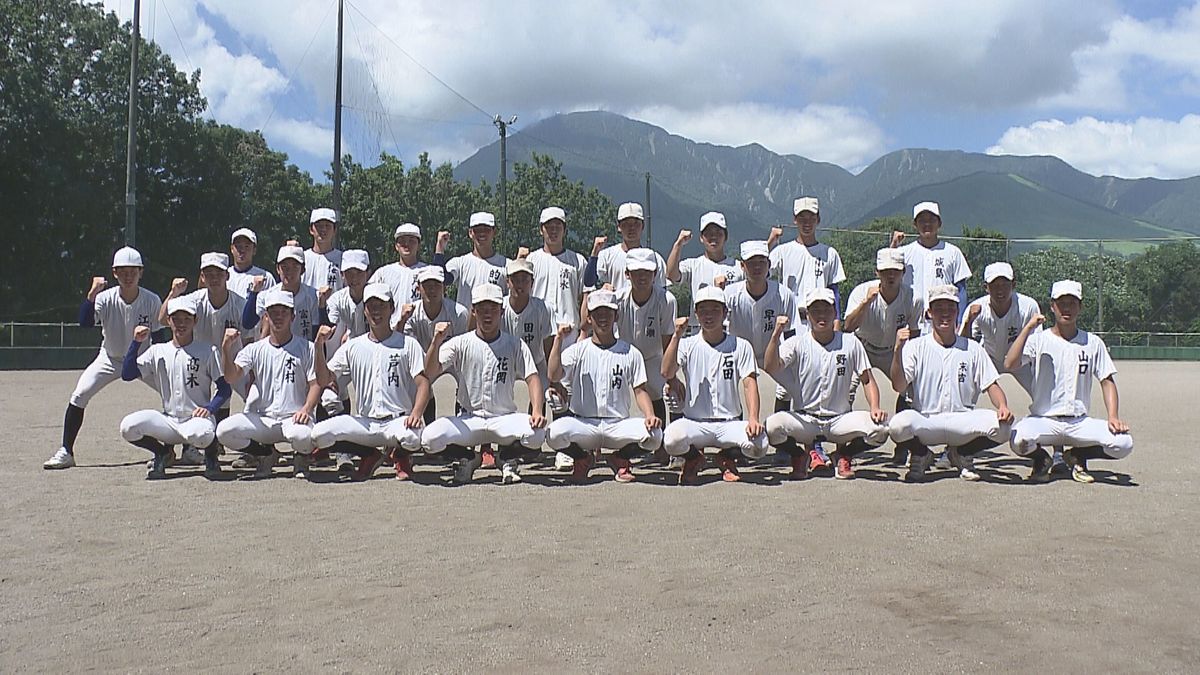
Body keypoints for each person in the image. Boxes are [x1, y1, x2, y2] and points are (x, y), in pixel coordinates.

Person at [45, 247, 162, 470]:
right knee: (79, 395)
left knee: (171, 393)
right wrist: (91, 295)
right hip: (109, 358)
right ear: (114, 273)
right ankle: (66, 451)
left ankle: (185, 448)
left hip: (142, 358)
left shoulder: (151, 299)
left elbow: (158, 335)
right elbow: (86, 323)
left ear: (141, 272)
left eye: (133, 271)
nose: (128, 276)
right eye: (122, 271)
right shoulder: (105, 298)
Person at [1005, 280, 1133, 484]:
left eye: (1072, 303)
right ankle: (1042, 459)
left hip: (1078, 422)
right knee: (1018, 439)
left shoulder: (1092, 342)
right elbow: (1010, 363)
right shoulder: (1039, 340)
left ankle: (1076, 456)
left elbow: (1107, 380)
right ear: (1052, 306)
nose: (1067, 308)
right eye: (1061, 303)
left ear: (1080, 307)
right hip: (1044, 420)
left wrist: (1113, 416)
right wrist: (1028, 328)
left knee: (1123, 443)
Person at [421, 283, 547, 485]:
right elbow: (430, 371)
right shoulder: (460, 343)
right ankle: (469, 458)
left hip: (504, 417)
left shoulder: (514, 344)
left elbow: (533, 377)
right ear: (473, 311)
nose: (487, 315)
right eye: (482, 310)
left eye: (493, 310)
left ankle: (505, 457)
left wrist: (537, 411)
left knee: (538, 434)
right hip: (469, 419)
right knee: (429, 439)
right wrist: (436, 341)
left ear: (502, 311)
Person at [888, 285, 1015, 482]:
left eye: (950, 308)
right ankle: (921, 454)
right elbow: (898, 386)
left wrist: (1003, 406)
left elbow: (992, 385)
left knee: (1004, 428)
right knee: (897, 426)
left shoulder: (972, 348)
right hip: (927, 419)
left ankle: (962, 453)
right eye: (939, 308)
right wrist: (897, 351)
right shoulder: (915, 346)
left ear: (957, 311)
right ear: (929, 313)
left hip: (962, 420)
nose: (944, 314)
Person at [763, 289, 890, 480]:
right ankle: (799, 456)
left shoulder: (850, 342)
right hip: (806, 420)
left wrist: (875, 407)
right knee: (771, 427)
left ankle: (844, 455)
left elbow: (867, 379)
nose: (821, 315)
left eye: (826, 309)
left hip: (839, 420)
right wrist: (775, 336)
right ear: (808, 315)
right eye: (816, 311)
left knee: (880, 429)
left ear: (834, 313)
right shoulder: (797, 343)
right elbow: (771, 366)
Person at [309, 284, 431, 481]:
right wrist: (318, 346)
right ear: (364, 310)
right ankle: (369, 455)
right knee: (318, 434)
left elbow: (423, 383)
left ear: (391, 308)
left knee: (415, 437)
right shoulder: (353, 346)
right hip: (365, 423)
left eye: (381, 306)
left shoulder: (408, 344)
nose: (376, 311)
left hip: (397, 420)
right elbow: (324, 379)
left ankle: (400, 456)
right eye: (371, 306)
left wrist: (416, 414)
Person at [545, 290, 663, 483]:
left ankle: (620, 458)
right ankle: (582, 459)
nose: (603, 318)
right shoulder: (577, 351)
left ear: (616, 316)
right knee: (553, 433)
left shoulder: (630, 352)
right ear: (589, 318)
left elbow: (640, 390)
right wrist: (558, 340)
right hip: (584, 423)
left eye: (607, 313)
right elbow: (553, 375)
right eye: (597, 314)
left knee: (655, 435)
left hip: (617, 424)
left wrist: (650, 415)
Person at [661, 287, 767, 484]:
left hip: (729, 421)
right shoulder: (687, 344)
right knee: (671, 440)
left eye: (715, 310)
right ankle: (694, 458)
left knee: (760, 444)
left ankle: (726, 456)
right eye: (703, 310)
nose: (708, 315)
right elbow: (666, 372)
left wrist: (753, 418)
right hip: (695, 422)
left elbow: (749, 383)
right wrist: (676, 335)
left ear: (725, 313)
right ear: (696, 314)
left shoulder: (740, 345)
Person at [119, 297, 230, 479]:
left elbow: (224, 389)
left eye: (187, 319)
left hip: (195, 419)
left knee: (202, 435)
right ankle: (162, 453)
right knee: (128, 427)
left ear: (195, 321)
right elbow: (127, 374)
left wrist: (210, 408)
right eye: (176, 319)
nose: (181, 324)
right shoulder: (158, 350)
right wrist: (136, 342)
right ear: (168, 321)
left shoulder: (208, 350)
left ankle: (211, 454)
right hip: (168, 420)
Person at [156, 252, 251, 466]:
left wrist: (251, 369)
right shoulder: (193, 300)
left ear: (227, 275)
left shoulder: (239, 302)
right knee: (189, 402)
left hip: (233, 361)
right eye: (209, 274)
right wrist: (173, 293)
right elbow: (163, 319)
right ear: (202, 276)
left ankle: (257, 448)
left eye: (218, 273)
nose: (214, 278)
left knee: (255, 397)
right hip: (201, 361)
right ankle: (187, 447)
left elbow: (250, 336)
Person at [216, 290, 321, 479]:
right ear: (266, 316)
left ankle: (301, 456)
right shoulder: (255, 349)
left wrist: (306, 409)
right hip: (264, 419)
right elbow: (231, 377)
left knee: (304, 437)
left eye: (284, 312)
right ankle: (264, 454)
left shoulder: (307, 347)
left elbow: (315, 384)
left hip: (294, 419)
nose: (278, 317)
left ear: (292, 316)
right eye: (273, 312)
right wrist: (225, 349)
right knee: (224, 431)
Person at [843, 248, 921, 464]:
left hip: (891, 349)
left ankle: (903, 446)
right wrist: (866, 303)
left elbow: (915, 332)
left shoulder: (913, 297)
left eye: (895, 271)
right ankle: (845, 449)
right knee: (845, 392)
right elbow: (848, 327)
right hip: (862, 346)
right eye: (886, 271)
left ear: (903, 272)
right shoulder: (862, 292)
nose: (890, 276)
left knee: (910, 390)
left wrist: (905, 352)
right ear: (877, 272)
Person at [403, 266, 469, 425]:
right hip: (422, 359)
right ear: (418, 288)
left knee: (467, 376)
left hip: (452, 360)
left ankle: (464, 420)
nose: (431, 290)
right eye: (427, 285)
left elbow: (463, 350)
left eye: (436, 285)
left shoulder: (459, 312)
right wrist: (401, 320)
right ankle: (422, 424)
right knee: (413, 379)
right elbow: (404, 345)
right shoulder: (411, 313)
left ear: (444, 287)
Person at [890, 201, 971, 329]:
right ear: (915, 224)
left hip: (943, 321)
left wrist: (959, 320)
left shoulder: (952, 252)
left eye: (932, 220)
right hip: (910, 320)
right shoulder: (903, 252)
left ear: (939, 223)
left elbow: (961, 289)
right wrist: (894, 246)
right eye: (922, 220)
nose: (927, 224)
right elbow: (888, 276)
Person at [767, 197, 846, 325]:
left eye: (811, 218)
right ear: (795, 220)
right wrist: (769, 243)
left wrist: (836, 322)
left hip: (821, 320)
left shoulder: (830, 253)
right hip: (791, 319)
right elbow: (759, 273)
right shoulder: (783, 251)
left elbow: (834, 291)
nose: (807, 223)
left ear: (818, 220)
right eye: (802, 218)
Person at [666, 211, 743, 333]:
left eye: (718, 233)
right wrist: (678, 244)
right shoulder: (693, 265)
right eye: (708, 234)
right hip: (699, 331)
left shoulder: (738, 267)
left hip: (730, 330)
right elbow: (671, 275)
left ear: (726, 237)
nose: (714, 237)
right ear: (701, 238)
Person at [526, 206, 587, 340]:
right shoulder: (531, 260)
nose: (553, 231)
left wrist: (583, 331)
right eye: (549, 227)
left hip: (569, 331)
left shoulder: (577, 260)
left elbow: (585, 297)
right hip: (538, 329)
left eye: (557, 226)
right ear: (541, 230)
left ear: (564, 230)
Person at [242, 245, 321, 342]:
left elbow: (316, 332)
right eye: (284, 267)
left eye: (295, 267)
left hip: (303, 351)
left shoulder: (313, 296)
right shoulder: (268, 296)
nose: (289, 272)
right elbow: (247, 323)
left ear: (303, 270)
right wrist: (254, 293)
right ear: (278, 269)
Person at [584, 202, 666, 293]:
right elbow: (589, 282)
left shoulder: (654, 258)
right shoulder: (606, 255)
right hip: (615, 306)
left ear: (643, 226)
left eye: (636, 223)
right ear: (619, 226)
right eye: (626, 224)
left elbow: (662, 293)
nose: (632, 228)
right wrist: (594, 254)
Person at [503, 258, 554, 386]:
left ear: (532, 283)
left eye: (525, 280)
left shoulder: (543, 308)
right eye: (515, 280)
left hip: (536, 366)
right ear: (507, 282)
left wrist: (552, 378)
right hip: (506, 367)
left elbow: (548, 343)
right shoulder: (499, 307)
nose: (520, 285)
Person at [442, 211, 507, 307]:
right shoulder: (460, 263)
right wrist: (440, 249)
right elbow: (443, 280)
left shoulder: (506, 264)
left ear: (494, 232)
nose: (482, 234)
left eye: (486, 230)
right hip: (465, 321)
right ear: (470, 233)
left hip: (496, 321)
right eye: (477, 230)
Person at [370, 222, 428, 313]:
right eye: (402, 241)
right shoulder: (383, 273)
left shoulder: (427, 271)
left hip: (419, 326)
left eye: (411, 241)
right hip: (390, 326)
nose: (406, 244)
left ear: (419, 245)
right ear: (396, 246)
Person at [301, 207, 344, 296]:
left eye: (327, 226)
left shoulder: (342, 259)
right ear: (311, 229)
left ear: (334, 230)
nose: (323, 230)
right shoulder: (302, 258)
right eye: (319, 226)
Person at [227, 228, 277, 300]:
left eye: (246, 246)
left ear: (254, 250)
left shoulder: (265, 277)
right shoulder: (224, 277)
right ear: (231, 249)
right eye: (238, 246)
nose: (242, 250)